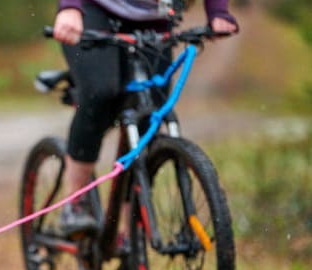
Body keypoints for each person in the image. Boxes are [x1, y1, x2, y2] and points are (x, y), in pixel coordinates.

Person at [52, 0, 238, 238]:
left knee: (150, 114)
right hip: (93, 10)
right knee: (101, 94)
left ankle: (131, 234)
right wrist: (70, 7)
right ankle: (74, 202)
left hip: (155, 19)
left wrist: (218, 12)